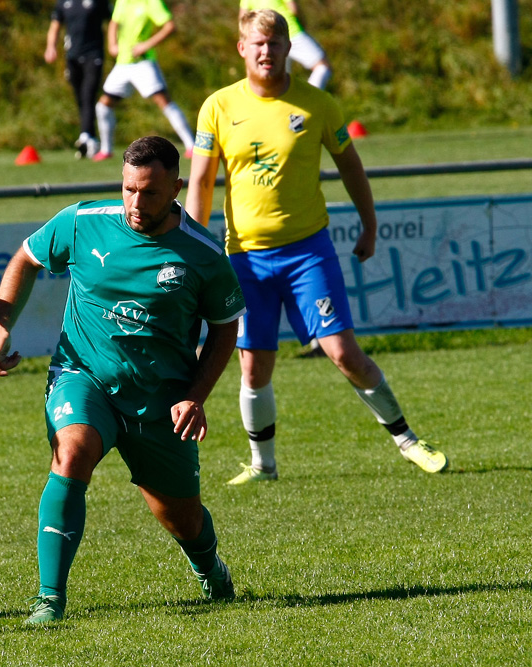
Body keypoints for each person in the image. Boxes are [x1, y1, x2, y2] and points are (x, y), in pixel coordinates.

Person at [0, 136, 246, 623]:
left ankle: (209, 567)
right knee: (72, 451)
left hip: (160, 397)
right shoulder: (83, 222)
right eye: (128, 189)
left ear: (175, 187)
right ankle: (49, 599)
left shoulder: (204, 254)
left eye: (149, 192)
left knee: (182, 518)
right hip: (82, 373)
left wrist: (196, 396)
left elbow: (224, 328)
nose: (135, 203)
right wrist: (3, 328)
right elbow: (24, 258)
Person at [185, 10, 448, 486]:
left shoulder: (317, 105)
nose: (267, 52)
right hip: (245, 257)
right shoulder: (218, 107)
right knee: (253, 361)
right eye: (258, 44)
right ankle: (263, 465)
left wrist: (369, 224)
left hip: (308, 252)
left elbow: (351, 167)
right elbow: (201, 182)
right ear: (242, 49)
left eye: (276, 43)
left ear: (290, 49)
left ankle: (409, 441)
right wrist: (193, 247)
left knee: (343, 352)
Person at [91, 0, 195, 162]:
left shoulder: (152, 2)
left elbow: (169, 26)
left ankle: (191, 146)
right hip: (123, 63)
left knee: (163, 101)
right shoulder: (123, 2)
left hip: (143, 62)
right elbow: (114, 22)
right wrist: (112, 44)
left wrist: (146, 45)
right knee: (103, 105)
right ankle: (106, 149)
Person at [44, 0, 112, 159]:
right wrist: (50, 47)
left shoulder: (97, 2)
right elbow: (55, 26)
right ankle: (91, 138)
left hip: (93, 55)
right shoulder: (64, 3)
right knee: (80, 97)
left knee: (89, 94)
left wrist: (114, 43)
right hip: (73, 56)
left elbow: (113, 22)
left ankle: (85, 136)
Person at [239, 0, 332, 89]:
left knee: (280, 79)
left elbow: (242, 18)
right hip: (292, 32)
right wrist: (303, 22)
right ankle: (310, 98)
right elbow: (294, 9)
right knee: (323, 66)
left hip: (265, 38)